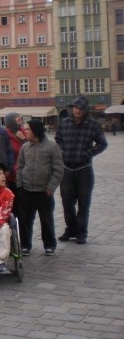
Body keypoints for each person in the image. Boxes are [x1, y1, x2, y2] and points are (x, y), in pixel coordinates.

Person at [55, 95, 108, 244]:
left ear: (85, 110)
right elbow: (58, 140)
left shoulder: (92, 125)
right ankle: (70, 229)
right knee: (67, 202)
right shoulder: (65, 123)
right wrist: (62, 152)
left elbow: (102, 143)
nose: (77, 110)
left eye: (80, 108)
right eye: (75, 108)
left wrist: (88, 153)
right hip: (67, 169)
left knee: (84, 204)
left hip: (84, 169)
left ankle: (81, 233)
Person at [17, 119, 64, 256]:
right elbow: (19, 166)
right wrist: (20, 184)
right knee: (25, 220)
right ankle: (25, 245)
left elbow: (58, 169)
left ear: (36, 131)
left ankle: (49, 245)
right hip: (26, 190)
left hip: (44, 191)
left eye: (28, 129)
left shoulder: (52, 147)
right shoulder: (25, 147)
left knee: (46, 219)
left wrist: (51, 186)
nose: (25, 131)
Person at [4, 112, 26, 214]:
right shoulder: (5, 134)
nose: (19, 118)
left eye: (19, 116)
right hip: (12, 175)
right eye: (16, 117)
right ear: (11, 121)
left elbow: (31, 149)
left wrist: (23, 139)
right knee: (14, 205)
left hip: (25, 175)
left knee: (24, 205)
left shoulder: (24, 131)